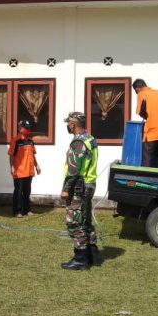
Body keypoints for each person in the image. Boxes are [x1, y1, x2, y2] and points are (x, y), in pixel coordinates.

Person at [60, 112, 99, 271]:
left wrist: (65, 189)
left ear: (73, 124)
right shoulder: (90, 139)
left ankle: (80, 259)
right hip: (89, 184)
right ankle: (92, 254)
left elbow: (73, 169)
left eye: (68, 123)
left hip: (78, 186)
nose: (67, 126)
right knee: (85, 220)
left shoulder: (78, 142)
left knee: (74, 221)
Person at [8, 119, 41, 217]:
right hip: (19, 171)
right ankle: (17, 211)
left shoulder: (31, 141)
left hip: (29, 171)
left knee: (27, 192)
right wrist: (12, 167)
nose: (27, 130)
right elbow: (11, 155)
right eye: (25, 128)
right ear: (19, 128)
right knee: (18, 192)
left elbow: (33, 155)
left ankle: (27, 210)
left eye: (28, 128)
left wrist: (37, 165)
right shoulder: (15, 141)